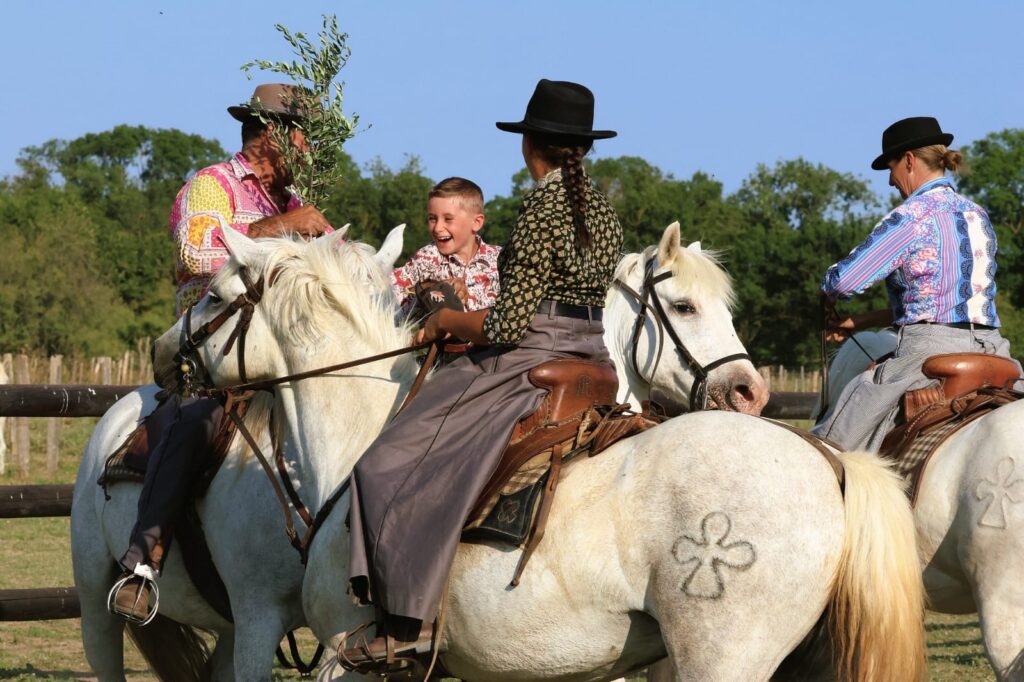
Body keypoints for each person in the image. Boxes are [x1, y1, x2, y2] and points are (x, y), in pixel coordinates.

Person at [340, 78, 623, 672]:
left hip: (531, 352)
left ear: (530, 147)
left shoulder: (542, 208)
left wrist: (444, 317)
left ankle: (403, 619)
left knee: (386, 462)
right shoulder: (602, 209)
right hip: (594, 354)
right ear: (583, 148)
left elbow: (508, 323)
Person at [108, 83, 332, 622]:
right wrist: (280, 229)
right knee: (195, 420)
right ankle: (144, 560)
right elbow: (197, 251)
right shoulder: (213, 185)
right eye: (305, 139)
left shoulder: (296, 201)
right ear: (275, 136)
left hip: (280, 359)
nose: (310, 151)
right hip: (212, 353)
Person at [813, 116, 1022, 452]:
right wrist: (863, 322)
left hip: (928, 351)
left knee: (828, 451)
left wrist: (825, 287)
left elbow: (844, 282)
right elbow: (944, 300)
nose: (891, 182)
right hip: (996, 351)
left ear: (908, 160)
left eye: (891, 168)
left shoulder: (912, 216)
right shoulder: (978, 216)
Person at [391, 176, 501, 321]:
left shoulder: (500, 259)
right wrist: (428, 289)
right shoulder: (426, 258)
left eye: (448, 219)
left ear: (476, 222)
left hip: (491, 342)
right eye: (432, 218)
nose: (437, 228)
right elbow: (388, 294)